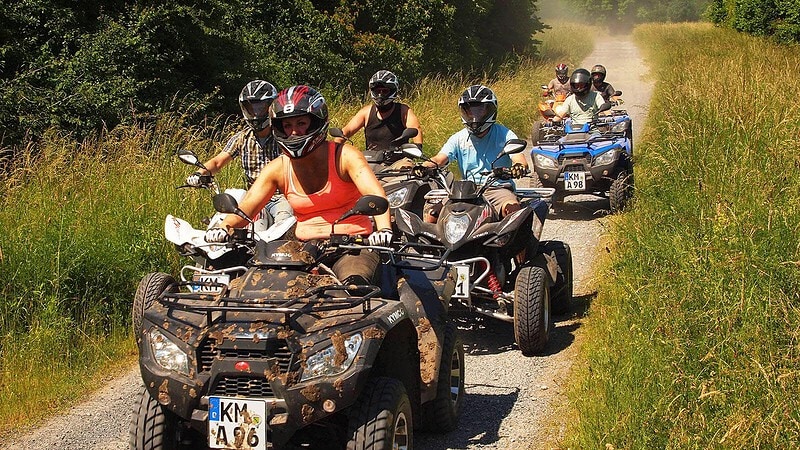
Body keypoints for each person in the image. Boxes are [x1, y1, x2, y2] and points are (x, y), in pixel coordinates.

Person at [205, 85, 393, 286]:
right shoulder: (278, 168)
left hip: (353, 246)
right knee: (266, 286)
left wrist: (384, 230)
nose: (294, 132)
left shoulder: (344, 156)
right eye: (287, 126)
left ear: (317, 122)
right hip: (303, 248)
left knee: (353, 284)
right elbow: (246, 209)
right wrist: (223, 228)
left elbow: (376, 197)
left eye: (301, 123)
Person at [185, 80, 293, 225]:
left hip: (280, 197)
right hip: (253, 197)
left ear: (271, 107)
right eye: (251, 108)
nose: (255, 113)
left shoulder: (284, 136)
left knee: (284, 222)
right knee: (236, 224)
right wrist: (199, 174)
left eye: (261, 108)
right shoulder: (242, 138)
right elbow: (218, 162)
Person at [425, 85, 528, 218]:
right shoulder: (459, 138)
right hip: (465, 191)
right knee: (432, 215)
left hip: (497, 188)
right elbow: (439, 159)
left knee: (513, 211)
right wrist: (423, 167)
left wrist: (519, 167)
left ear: (491, 110)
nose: (474, 116)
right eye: (470, 111)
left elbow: (519, 159)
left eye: (480, 111)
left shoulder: (505, 134)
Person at [338, 70, 423, 170]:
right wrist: (335, 148)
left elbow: (416, 129)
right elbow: (347, 131)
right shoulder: (366, 112)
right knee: (348, 170)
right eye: (377, 91)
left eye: (384, 91)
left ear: (392, 91)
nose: (380, 95)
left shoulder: (403, 111)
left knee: (407, 168)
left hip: (398, 162)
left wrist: (417, 147)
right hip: (371, 161)